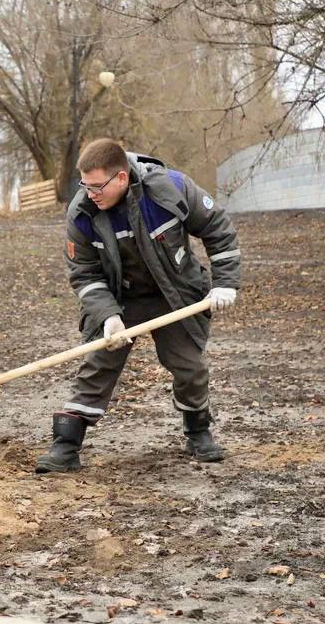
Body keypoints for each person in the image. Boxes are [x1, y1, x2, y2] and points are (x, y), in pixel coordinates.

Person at [35, 138, 242, 474]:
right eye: (84, 185)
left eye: (97, 186)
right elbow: (84, 274)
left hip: (174, 295)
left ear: (121, 178)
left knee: (189, 368)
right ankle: (66, 446)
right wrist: (108, 316)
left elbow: (218, 229)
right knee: (97, 366)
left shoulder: (170, 189)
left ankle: (198, 431)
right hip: (118, 299)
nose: (90, 194)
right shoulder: (82, 213)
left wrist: (225, 284)